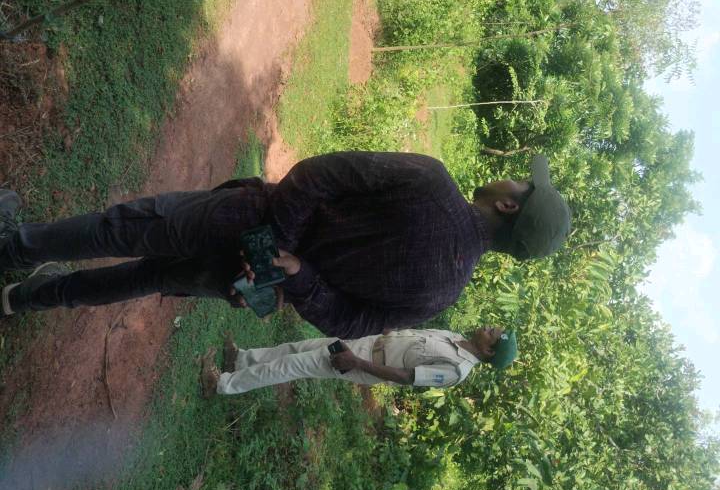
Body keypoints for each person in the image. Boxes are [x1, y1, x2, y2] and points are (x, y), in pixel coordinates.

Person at [0, 152, 570, 339]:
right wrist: (289, 273)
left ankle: (13, 249)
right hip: (252, 283)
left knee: (122, 228)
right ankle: (23, 300)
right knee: (146, 276)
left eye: (522, 183)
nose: (513, 177)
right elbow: (349, 321)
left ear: (508, 206)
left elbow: (318, 174)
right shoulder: (442, 294)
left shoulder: (432, 181)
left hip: (244, 221)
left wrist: (273, 244)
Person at [199, 325, 517, 397]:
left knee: (294, 366)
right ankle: (242, 359)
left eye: (493, 334)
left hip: (364, 362)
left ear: (489, 351)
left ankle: (222, 384)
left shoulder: (457, 370)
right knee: (298, 348)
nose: (489, 327)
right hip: (367, 343)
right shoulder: (455, 336)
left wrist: (356, 363)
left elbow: (406, 377)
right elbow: (412, 336)